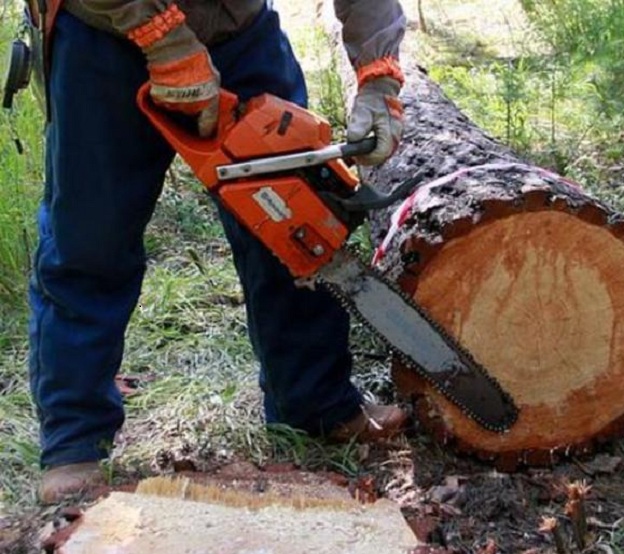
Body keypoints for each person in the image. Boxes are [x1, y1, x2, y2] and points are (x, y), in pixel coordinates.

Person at [29, 0, 409, 504]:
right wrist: (163, 38)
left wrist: (378, 76)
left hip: (239, 32)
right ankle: (74, 439)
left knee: (298, 226)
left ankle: (316, 406)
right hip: (104, 34)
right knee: (90, 241)